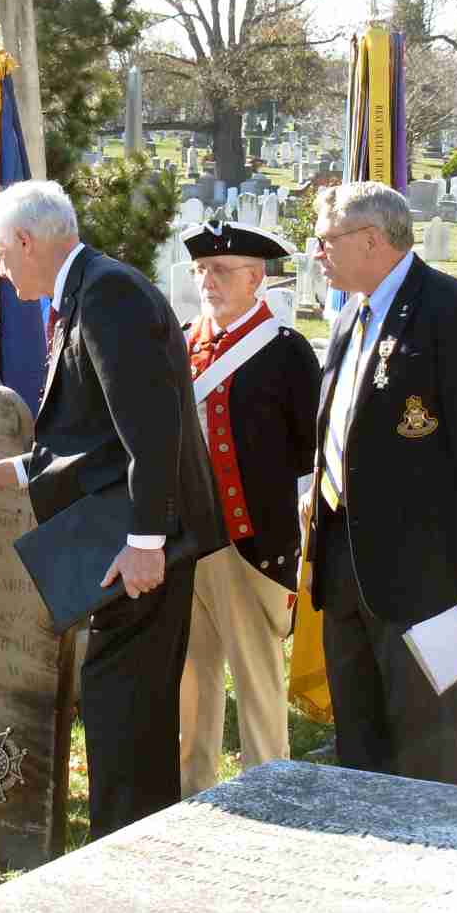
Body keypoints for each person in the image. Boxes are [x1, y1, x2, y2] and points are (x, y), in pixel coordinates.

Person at [0, 180, 225, 838]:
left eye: (3, 259)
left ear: (27, 242)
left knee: (125, 706)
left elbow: (151, 429)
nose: (3, 276)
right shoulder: (86, 291)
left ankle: (127, 848)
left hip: (139, 546)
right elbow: (94, 438)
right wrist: (5, 472)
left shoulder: (108, 295)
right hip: (126, 536)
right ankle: (131, 843)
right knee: (122, 705)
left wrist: (148, 542)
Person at [302, 181, 457, 786]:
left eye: (326, 240)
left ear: (370, 240)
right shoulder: (351, 314)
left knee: (427, 753)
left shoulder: (450, 310)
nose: (318, 252)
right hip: (347, 564)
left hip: (427, 575)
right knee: (360, 748)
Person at [177, 221, 320, 794]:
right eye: (203, 270)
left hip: (252, 543)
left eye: (223, 270)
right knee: (191, 679)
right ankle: (194, 794)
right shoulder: (182, 343)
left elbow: (308, 455)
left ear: (257, 278)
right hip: (186, 542)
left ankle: (268, 793)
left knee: (258, 683)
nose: (209, 280)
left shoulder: (285, 353)